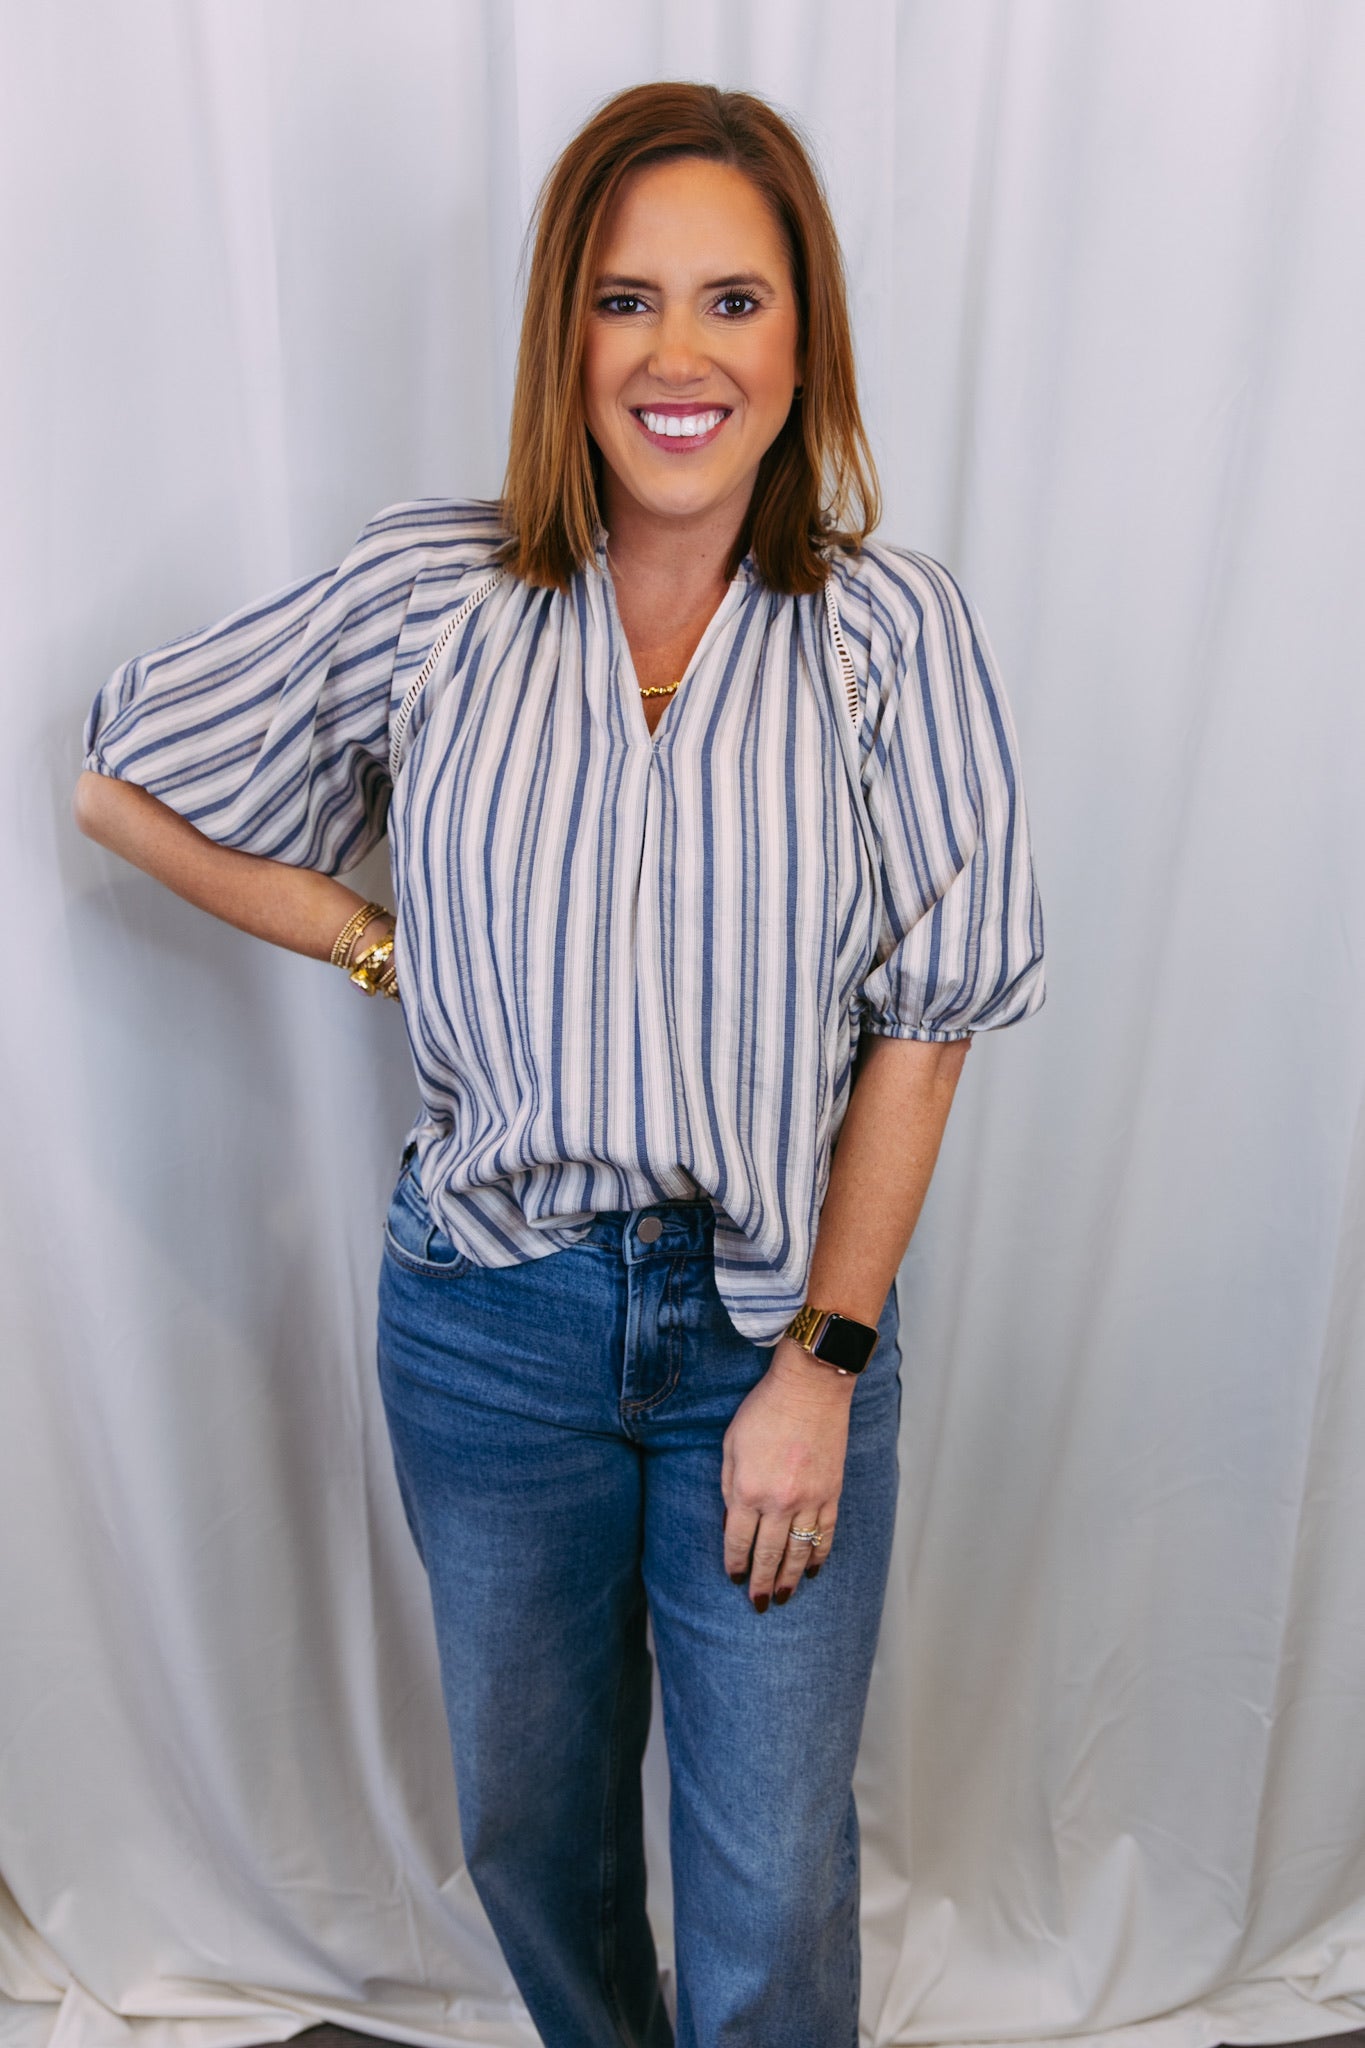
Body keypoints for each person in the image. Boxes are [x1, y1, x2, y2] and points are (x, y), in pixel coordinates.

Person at [75, 80, 1044, 2048]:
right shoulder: (434, 594)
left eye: (730, 301)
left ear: (802, 338)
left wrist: (820, 1368)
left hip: (767, 1326)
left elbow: (927, 1022)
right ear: (562, 338)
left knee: (769, 1881)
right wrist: (371, 941)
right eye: (625, 302)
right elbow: (122, 781)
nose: (677, 356)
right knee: (531, 1835)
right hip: (485, 1323)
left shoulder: (889, 632)